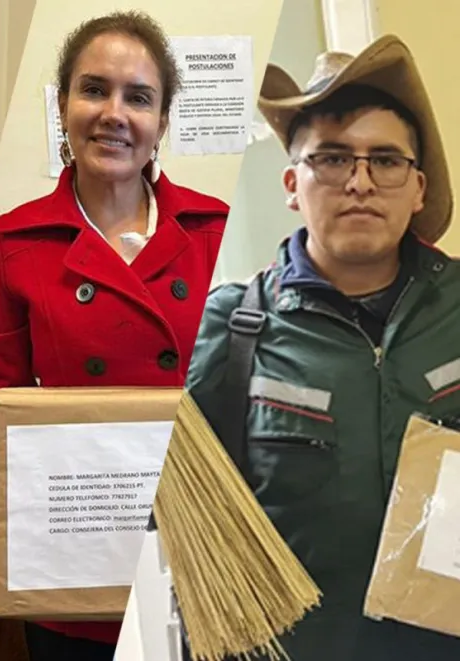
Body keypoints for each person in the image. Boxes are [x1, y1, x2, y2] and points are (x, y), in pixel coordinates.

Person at [183, 35, 460, 661]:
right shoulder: (231, 329)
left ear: (418, 187)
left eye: (386, 160)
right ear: (292, 182)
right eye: (332, 159)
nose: (361, 182)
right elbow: (184, 520)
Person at [0, 10, 229, 661]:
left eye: (138, 97)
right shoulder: (12, 240)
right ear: (63, 105)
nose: (114, 112)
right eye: (94, 89)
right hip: (70, 546)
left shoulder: (214, 228)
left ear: (161, 121)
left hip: (190, 540)